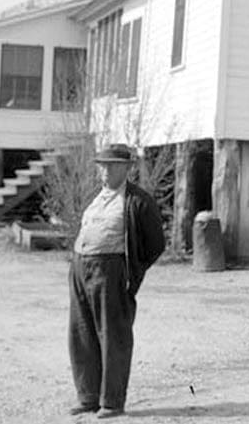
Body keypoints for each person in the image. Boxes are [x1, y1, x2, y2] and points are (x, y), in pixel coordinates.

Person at [68, 143, 166, 418]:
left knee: (113, 336)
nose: (105, 170)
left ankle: (111, 402)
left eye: (111, 165)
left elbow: (156, 244)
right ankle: (88, 397)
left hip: (111, 270)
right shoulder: (97, 196)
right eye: (102, 165)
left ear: (126, 168)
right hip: (81, 267)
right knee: (81, 333)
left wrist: (130, 271)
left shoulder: (138, 200)